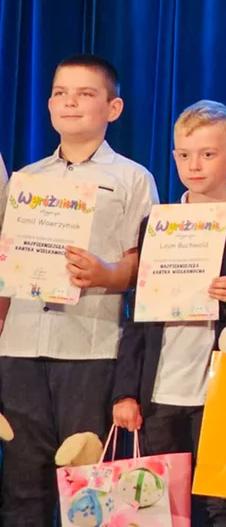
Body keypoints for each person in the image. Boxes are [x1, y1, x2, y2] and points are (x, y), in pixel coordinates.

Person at [0, 54, 159, 524]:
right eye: (60, 93)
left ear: (113, 108)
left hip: (89, 349)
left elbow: (144, 265)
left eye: (85, 94)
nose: (69, 102)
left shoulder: (132, 178)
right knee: (22, 486)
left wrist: (106, 273)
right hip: (20, 347)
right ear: (49, 104)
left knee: (88, 486)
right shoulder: (27, 179)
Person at [112, 100, 226, 526]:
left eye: (207, 154)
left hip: (221, 393)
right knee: (159, 506)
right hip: (161, 391)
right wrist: (125, 392)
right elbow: (137, 316)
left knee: (223, 506)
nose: (194, 165)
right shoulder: (158, 225)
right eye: (184, 155)